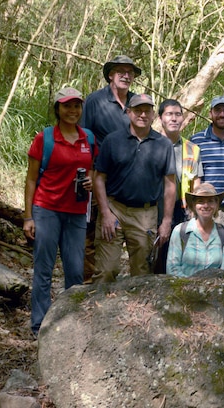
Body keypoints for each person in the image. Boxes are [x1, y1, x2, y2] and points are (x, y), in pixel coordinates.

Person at [24, 87, 95, 337]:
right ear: (58, 109)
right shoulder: (45, 138)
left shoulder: (89, 138)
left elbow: (93, 171)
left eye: (76, 106)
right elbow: (31, 179)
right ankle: (39, 325)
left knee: (75, 270)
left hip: (76, 212)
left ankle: (70, 321)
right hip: (46, 210)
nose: (72, 110)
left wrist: (90, 182)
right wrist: (28, 217)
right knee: (44, 268)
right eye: (67, 106)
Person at [91, 94, 176, 282]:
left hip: (145, 215)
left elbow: (170, 184)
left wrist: (167, 221)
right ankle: (100, 309)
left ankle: (139, 311)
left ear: (154, 114)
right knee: (106, 270)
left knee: (142, 273)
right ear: (128, 112)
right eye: (138, 110)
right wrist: (105, 212)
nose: (143, 114)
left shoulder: (164, 145)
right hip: (114, 209)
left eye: (147, 110)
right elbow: (99, 178)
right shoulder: (113, 140)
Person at [79, 54, 142, 281]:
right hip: (100, 177)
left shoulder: (137, 103)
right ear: (110, 75)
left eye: (130, 72)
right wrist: (87, 173)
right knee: (92, 232)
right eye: (121, 71)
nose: (126, 75)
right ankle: (88, 286)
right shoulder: (95, 101)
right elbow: (83, 138)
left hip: (130, 182)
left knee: (124, 235)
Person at [190, 97, 224, 267]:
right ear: (210, 113)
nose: (222, 114)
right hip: (206, 205)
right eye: (218, 110)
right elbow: (192, 175)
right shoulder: (197, 140)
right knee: (205, 249)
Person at [152, 99, 203, 274]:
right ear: (160, 118)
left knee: (179, 251)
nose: (173, 118)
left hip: (182, 207)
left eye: (178, 114)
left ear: (183, 118)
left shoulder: (192, 149)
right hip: (154, 206)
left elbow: (197, 181)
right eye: (169, 114)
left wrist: (195, 209)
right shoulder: (150, 144)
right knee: (155, 251)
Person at [166, 183, 224, 276]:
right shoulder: (180, 231)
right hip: (184, 288)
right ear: (194, 205)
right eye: (201, 201)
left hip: (215, 288)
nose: (206, 205)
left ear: (216, 205)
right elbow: (172, 269)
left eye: (210, 201)